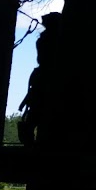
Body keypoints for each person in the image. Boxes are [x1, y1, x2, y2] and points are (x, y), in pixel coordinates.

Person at [18, 12, 62, 145]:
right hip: (49, 78)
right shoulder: (55, 40)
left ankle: (32, 141)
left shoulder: (44, 40)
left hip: (43, 78)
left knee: (36, 111)